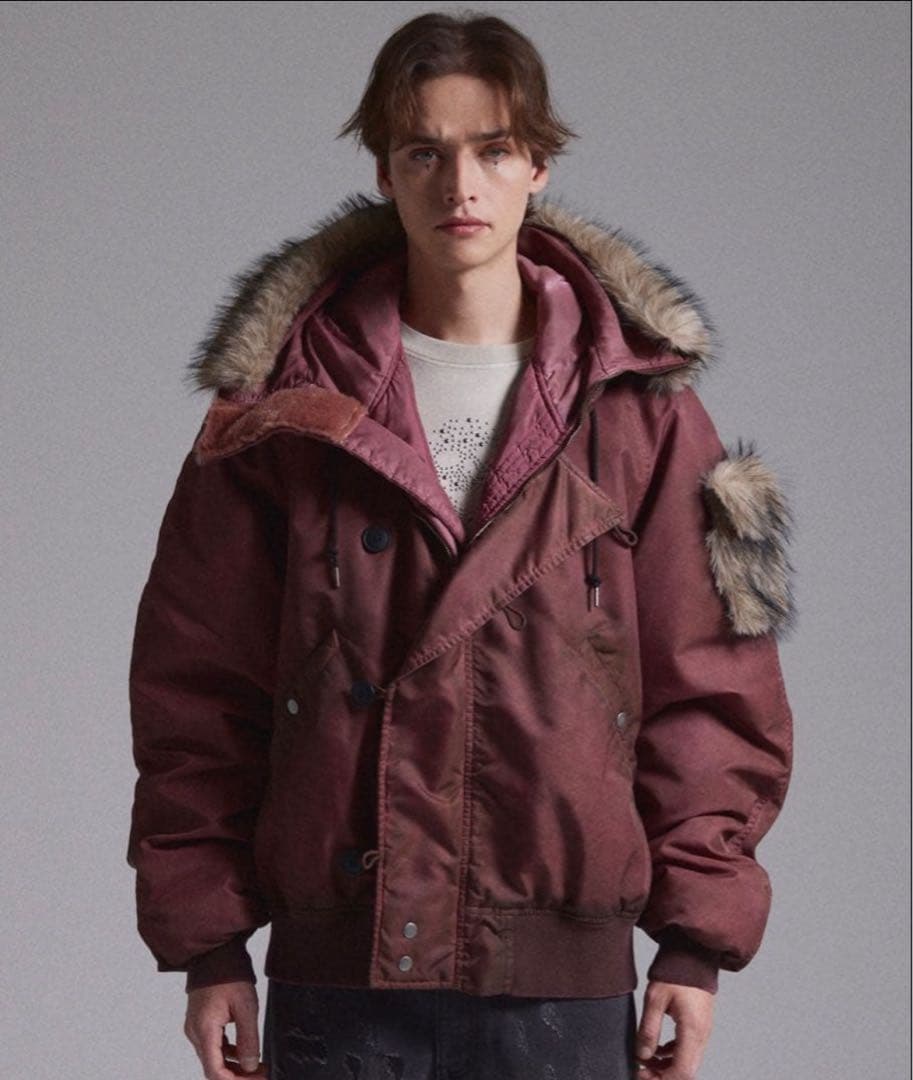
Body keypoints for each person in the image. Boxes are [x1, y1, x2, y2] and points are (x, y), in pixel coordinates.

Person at [127, 11, 797, 1080]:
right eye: (424, 153)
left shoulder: (641, 412)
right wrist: (210, 949)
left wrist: (694, 941)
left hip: (561, 989)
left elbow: (713, 685)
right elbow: (196, 686)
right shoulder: (283, 410)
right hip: (339, 975)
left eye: (491, 150)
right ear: (383, 172)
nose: (459, 186)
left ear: (538, 165)